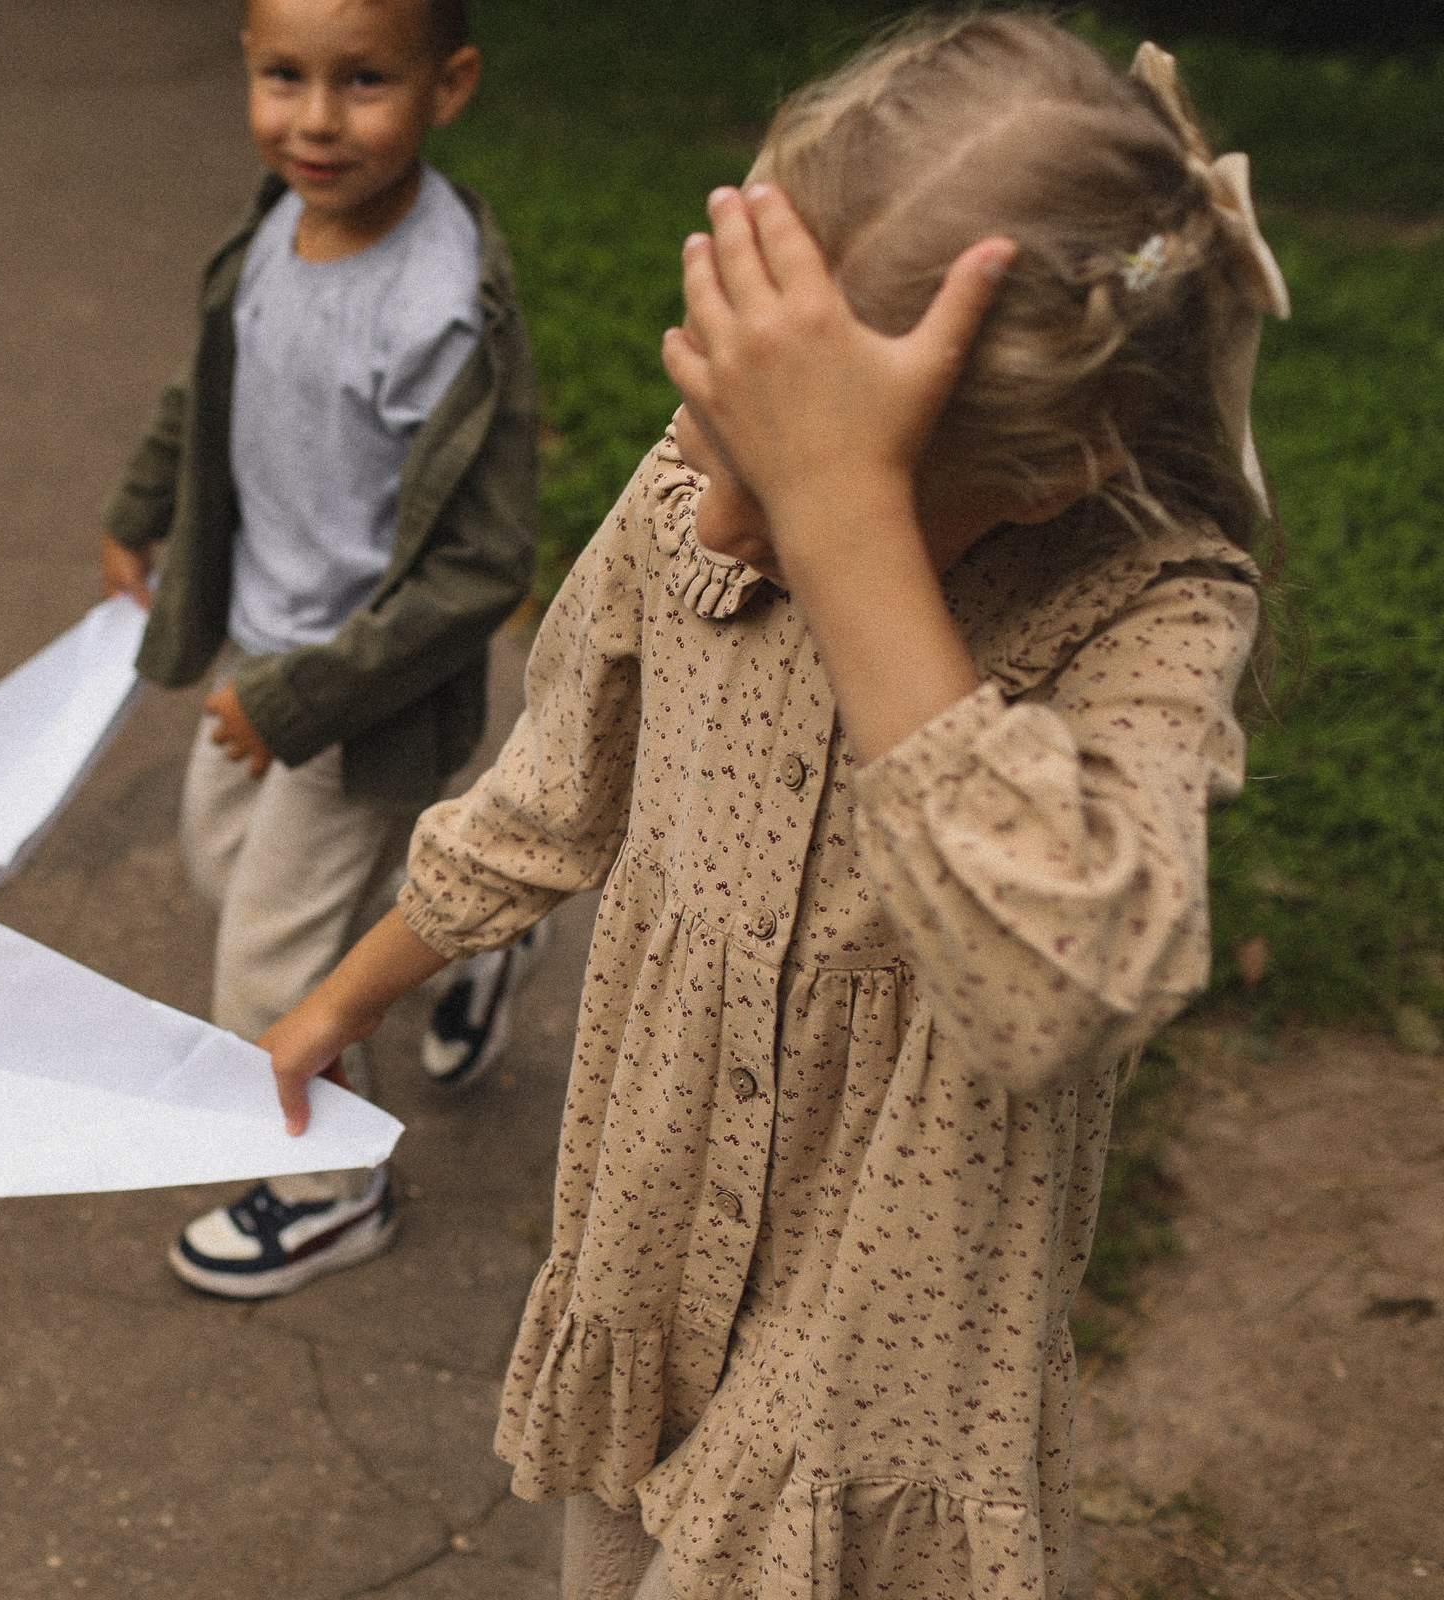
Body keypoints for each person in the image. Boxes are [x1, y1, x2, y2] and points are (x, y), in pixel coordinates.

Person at [253, 15, 1289, 1596]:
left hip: (884, 1356)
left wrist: (845, 528)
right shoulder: (698, 489)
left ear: (1047, 473)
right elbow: (548, 796)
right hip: (646, 1245)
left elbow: (1060, 987)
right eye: (706, 407)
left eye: (780, 473)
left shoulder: (1149, 619)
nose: (707, 511)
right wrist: (340, 995)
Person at [98, 0, 541, 1298]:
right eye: (284, 76)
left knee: (264, 968)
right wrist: (141, 501)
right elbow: (211, 379)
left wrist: (298, 700)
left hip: (358, 697)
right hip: (266, 661)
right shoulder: (279, 225)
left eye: (363, 82)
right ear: (246, 63)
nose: (314, 119)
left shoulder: (442, 309)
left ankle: (335, 1190)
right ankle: (476, 921)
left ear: (447, 84)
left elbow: (480, 564)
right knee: (215, 865)